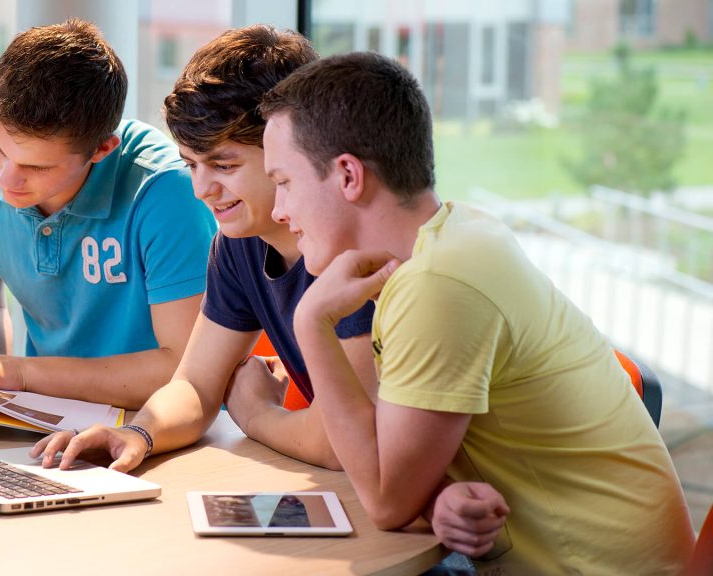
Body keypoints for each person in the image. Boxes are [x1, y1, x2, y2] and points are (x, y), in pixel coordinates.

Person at [32, 27, 506, 560]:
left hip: (452, 527)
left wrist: (253, 411)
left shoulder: (354, 256)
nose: (201, 188)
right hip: (428, 507)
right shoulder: (238, 244)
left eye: (224, 164)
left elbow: (336, 443)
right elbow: (195, 382)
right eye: (191, 164)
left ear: (286, 147)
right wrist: (139, 434)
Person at [260, 51, 694, 574]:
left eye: (283, 182)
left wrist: (312, 324)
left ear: (349, 175)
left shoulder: (438, 285)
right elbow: (397, 458)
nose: (278, 210)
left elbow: (385, 501)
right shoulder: (457, 234)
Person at [0, 19, 215, 409]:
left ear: (102, 149)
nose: (6, 178)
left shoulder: (168, 192)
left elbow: (187, 371)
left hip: (161, 424)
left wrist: (20, 374)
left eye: (38, 167)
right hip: (46, 416)